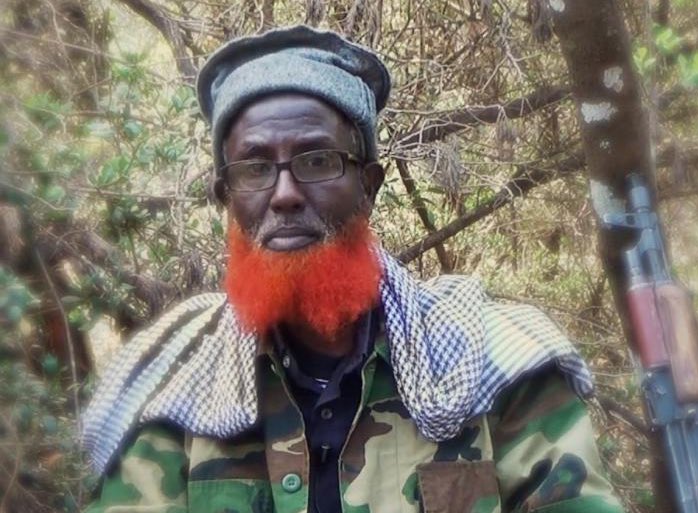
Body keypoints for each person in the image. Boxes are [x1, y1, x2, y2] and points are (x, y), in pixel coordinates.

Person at [82, 25, 624, 513]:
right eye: (254, 167)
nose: (285, 194)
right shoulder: (174, 383)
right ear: (227, 196)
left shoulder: (493, 360)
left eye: (317, 161)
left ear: (368, 186)